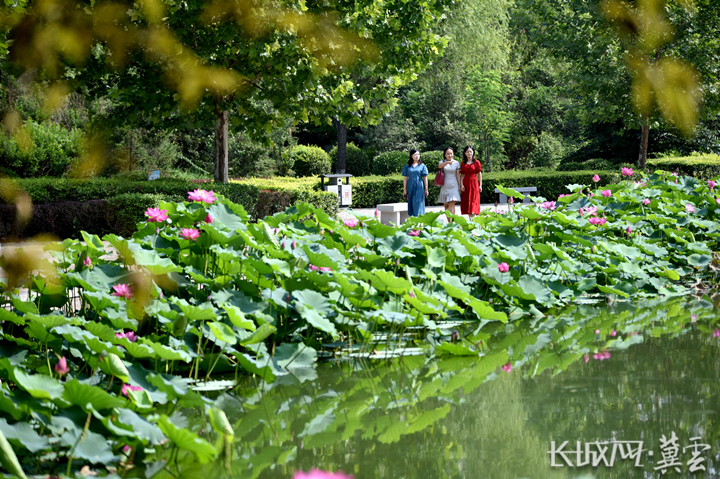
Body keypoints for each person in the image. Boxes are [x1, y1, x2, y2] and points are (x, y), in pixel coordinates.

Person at [402, 149, 429, 217]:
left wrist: (426, 189)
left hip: (419, 186)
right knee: (411, 202)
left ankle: (419, 221)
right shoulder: (407, 166)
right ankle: (412, 221)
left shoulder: (422, 166)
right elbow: (405, 178)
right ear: (411, 156)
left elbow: (425, 178)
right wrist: (404, 190)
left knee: (418, 202)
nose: (417, 156)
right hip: (410, 186)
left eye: (418, 154)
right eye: (415, 154)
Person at [436, 147, 462, 216]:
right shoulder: (442, 162)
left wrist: (460, 185)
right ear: (445, 155)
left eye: (451, 153)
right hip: (444, 186)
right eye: (448, 154)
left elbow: (458, 175)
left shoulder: (456, 163)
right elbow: (439, 166)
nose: (450, 155)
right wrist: (447, 162)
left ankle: (452, 223)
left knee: (452, 204)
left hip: (454, 185)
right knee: (446, 206)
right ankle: (449, 223)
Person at [460, 145, 482, 216]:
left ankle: (474, 219)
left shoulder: (477, 162)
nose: (469, 153)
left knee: (474, 200)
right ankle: (471, 220)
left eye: (470, 151)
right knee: (467, 202)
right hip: (466, 184)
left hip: (474, 184)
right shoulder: (463, 163)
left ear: (473, 153)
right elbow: (462, 175)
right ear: (465, 153)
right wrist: (461, 185)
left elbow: (479, 174)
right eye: (467, 152)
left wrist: (480, 185)